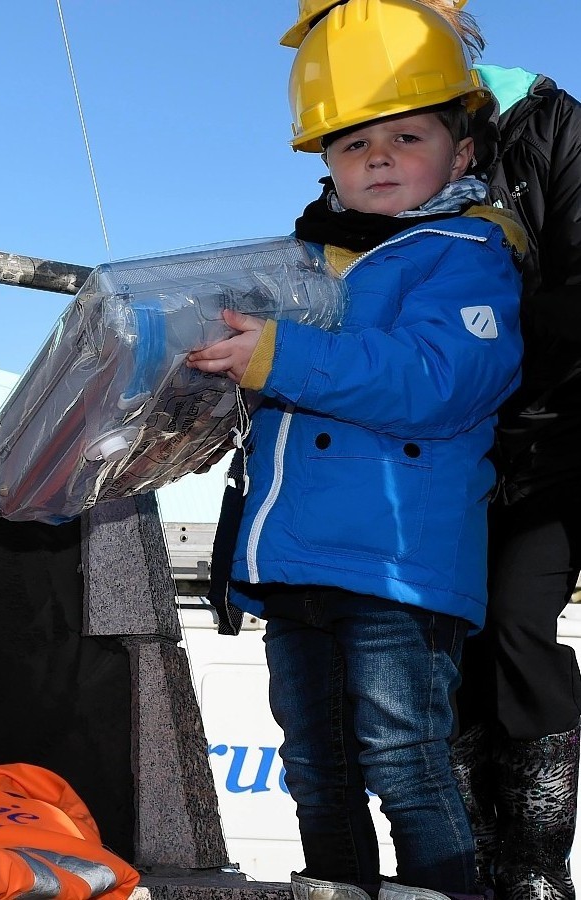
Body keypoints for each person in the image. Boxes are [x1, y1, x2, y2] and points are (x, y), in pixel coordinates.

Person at [186, 0, 526, 895]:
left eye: (406, 138)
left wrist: (279, 354)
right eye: (350, 144)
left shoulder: (468, 254)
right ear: (326, 166)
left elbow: (437, 378)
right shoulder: (307, 265)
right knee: (314, 765)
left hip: (395, 567)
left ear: (464, 150)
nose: (377, 157)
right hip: (297, 559)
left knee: (405, 761)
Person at [282, 1, 581, 895]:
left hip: (551, 431)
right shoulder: (344, 200)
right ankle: (470, 862)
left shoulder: (547, 125)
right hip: (432, 466)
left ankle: (528, 868)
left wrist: (483, 373)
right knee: (434, 657)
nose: (378, 155)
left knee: (517, 627)